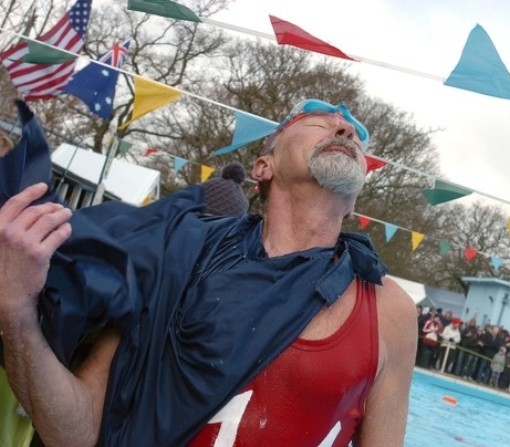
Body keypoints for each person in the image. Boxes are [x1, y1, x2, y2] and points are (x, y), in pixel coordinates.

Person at [0, 99, 418, 446]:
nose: (345, 131)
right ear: (263, 167)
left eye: (354, 136)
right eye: (320, 123)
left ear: (352, 200)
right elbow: (80, 431)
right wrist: (15, 310)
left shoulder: (389, 311)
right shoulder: (175, 254)